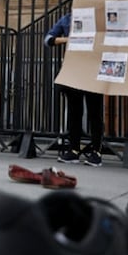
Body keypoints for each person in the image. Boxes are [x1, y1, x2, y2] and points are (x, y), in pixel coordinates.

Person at [46, 13, 105, 167]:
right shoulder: (67, 18)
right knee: (74, 112)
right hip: (74, 69)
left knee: (95, 112)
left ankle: (96, 152)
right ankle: (74, 150)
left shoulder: (100, 17)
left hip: (93, 69)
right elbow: (48, 39)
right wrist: (68, 39)